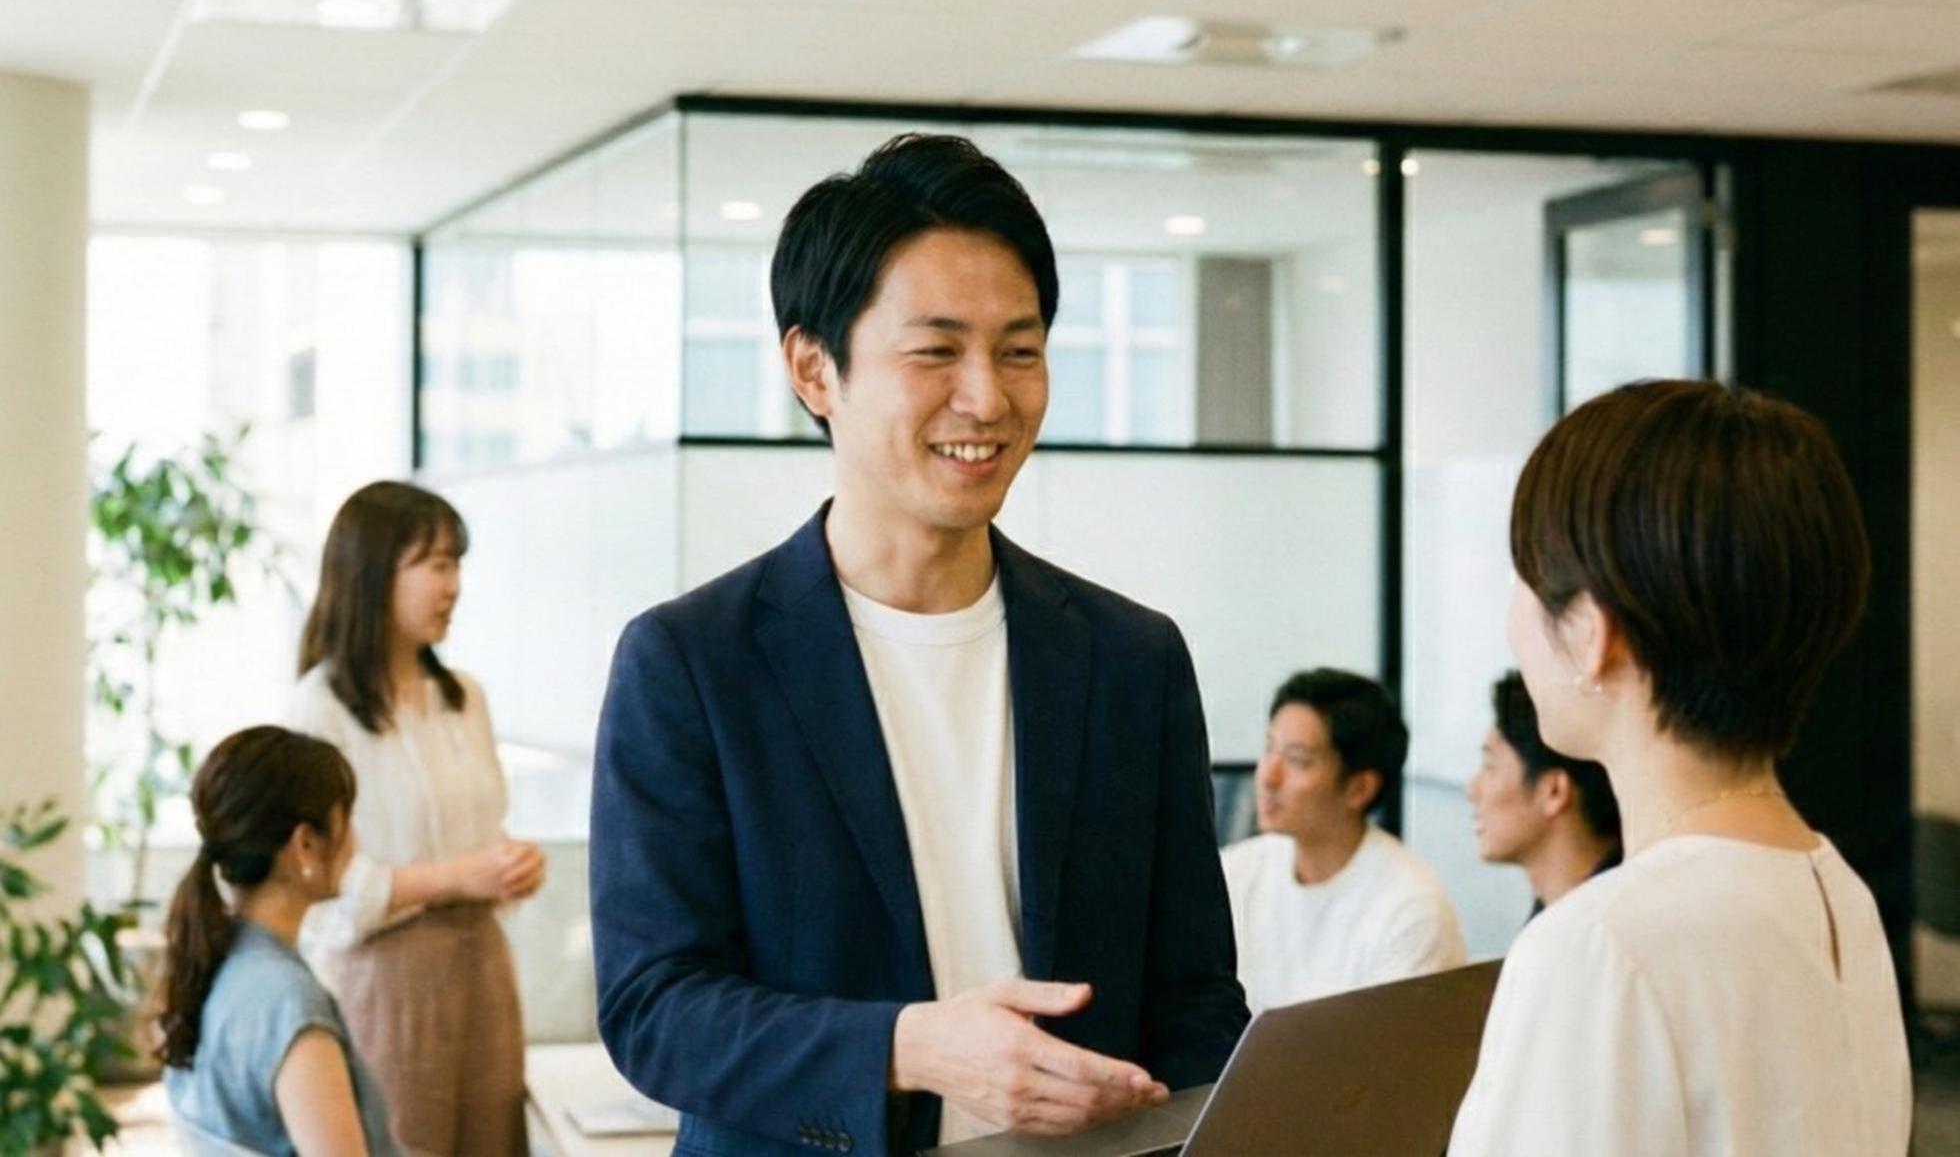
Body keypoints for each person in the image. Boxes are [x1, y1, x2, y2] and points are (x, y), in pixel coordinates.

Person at [590, 133, 1249, 1155]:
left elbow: (1193, 999)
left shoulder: (1131, 658)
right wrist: (908, 1047)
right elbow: (655, 1008)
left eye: (1019, 350)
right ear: (814, 368)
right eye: (937, 351)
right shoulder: (692, 663)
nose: (986, 397)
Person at [1450, 380, 1913, 1156]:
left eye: (1525, 583)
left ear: (1591, 632)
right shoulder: (1838, 892)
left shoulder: (1600, 944)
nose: (1513, 623)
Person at [288, 481, 543, 1156]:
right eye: (435, 564)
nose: (453, 585)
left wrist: (510, 866)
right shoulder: (321, 708)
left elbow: (480, 835)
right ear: (373, 573)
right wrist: (457, 877)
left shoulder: (464, 698)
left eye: (457, 564)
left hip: (483, 968)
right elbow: (322, 884)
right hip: (385, 982)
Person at [160, 725, 400, 1156]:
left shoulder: (218, 963)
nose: (356, 842)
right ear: (305, 844)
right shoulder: (287, 1002)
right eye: (346, 820)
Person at [1222, 668, 1466, 1013]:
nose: (1268, 776)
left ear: (1359, 788)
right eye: (1269, 748)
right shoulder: (1236, 871)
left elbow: (1395, 1043)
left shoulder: (1411, 910)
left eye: (1297, 760)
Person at [1467, 669, 1622, 915]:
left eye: (1490, 766)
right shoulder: (1561, 910)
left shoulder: (1600, 924)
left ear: (1554, 792)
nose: (1471, 790)